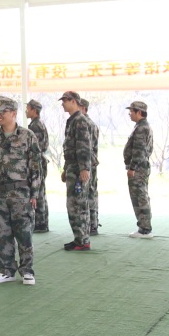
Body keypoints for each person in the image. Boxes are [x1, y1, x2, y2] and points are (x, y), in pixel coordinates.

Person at [0, 97, 43, 286]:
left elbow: (36, 167)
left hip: (20, 192)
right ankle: (6, 270)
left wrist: (34, 194)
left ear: (14, 113)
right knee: (2, 234)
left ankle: (27, 270)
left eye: (3, 112)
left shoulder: (27, 136)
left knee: (24, 233)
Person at [60, 91, 93, 252]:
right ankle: (79, 238)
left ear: (73, 101)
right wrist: (66, 168)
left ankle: (82, 240)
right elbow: (70, 147)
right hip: (73, 167)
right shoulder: (73, 120)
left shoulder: (79, 120)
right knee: (74, 204)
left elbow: (84, 146)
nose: (63, 104)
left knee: (78, 205)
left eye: (65, 101)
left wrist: (84, 168)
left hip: (78, 169)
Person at [124, 101, 155, 238]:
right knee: (139, 196)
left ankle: (145, 229)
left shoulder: (142, 128)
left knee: (140, 197)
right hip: (140, 167)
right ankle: (143, 227)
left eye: (132, 111)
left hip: (138, 168)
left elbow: (139, 150)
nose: (130, 114)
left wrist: (132, 167)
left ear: (139, 112)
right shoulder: (141, 126)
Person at [26, 99, 51, 233]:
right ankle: (42, 222)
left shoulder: (35, 126)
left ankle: (40, 223)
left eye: (28, 109)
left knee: (39, 192)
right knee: (41, 191)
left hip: (37, 161)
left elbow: (36, 147)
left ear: (34, 110)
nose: (26, 111)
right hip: (40, 160)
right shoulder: (37, 124)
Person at [79, 96, 102, 235]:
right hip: (90, 163)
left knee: (89, 193)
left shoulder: (86, 123)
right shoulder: (90, 123)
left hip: (88, 164)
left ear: (83, 108)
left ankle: (91, 225)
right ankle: (92, 223)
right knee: (91, 192)